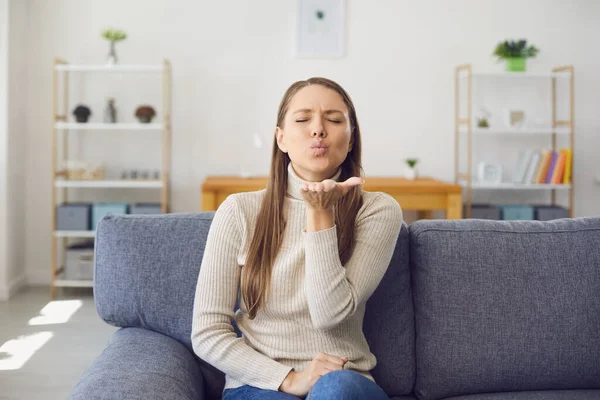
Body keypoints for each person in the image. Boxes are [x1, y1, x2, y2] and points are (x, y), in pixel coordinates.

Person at [191, 77, 403, 399]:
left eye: (333, 120)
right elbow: (207, 333)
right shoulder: (239, 211)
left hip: (343, 384)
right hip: (260, 386)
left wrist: (320, 213)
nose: (318, 129)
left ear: (350, 140)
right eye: (303, 119)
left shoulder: (376, 211)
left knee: (334, 388)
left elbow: (328, 315)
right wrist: (289, 379)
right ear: (281, 138)